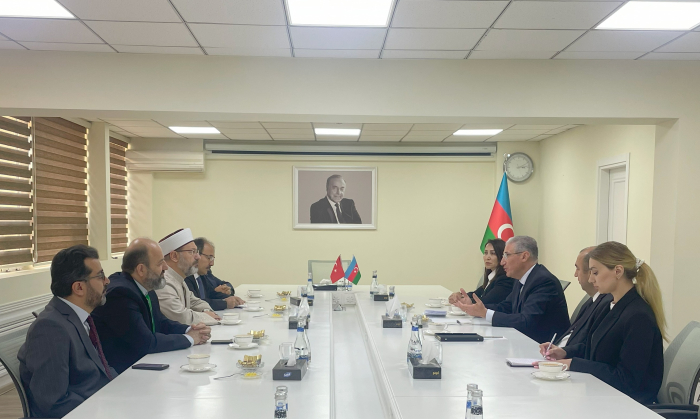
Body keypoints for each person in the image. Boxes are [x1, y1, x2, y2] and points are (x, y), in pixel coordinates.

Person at [539, 241, 665, 405]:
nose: (591, 279)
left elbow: (627, 380)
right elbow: (595, 347)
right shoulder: (609, 305)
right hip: (602, 393)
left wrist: (574, 364)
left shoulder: (638, 316)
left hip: (626, 404)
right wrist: (564, 352)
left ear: (618, 271)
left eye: (595, 272)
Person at [17, 245, 117, 418]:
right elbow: (53, 402)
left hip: (102, 401)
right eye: (100, 275)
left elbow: (100, 370)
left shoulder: (80, 317)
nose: (107, 281)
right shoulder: (50, 328)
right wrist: (104, 410)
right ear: (79, 288)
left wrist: (124, 389)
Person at [92, 238, 212, 373]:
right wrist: (190, 338)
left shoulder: (146, 286)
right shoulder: (121, 294)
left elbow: (161, 322)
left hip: (146, 363)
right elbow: (146, 342)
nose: (166, 267)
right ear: (141, 269)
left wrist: (191, 329)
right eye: (160, 263)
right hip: (125, 373)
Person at [454, 236, 570, 344]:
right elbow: (506, 307)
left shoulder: (543, 281)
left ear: (524, 256)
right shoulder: (521, 278)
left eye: (507, 255)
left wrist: (485, 313)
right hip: (524, 342)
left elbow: (526, 321)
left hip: (544, 349)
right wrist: (476, 309)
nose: (502, 262)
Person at [155, 228, 220, 325]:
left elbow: (196, 302)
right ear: (174, 256)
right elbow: (180, 317)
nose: (198, 257)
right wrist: (207, 316)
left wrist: (206, 310)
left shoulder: (179, 279)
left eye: (197, 252)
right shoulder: (163, 282)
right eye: (192, 252)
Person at [553, 246, 612, 348]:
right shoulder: (591, 301)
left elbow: (587, 346)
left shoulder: (606, 305)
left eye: (578, 268)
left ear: (591, 272)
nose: (575, 274)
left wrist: (564, 352)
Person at [448, 239, 515, 305]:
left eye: (493, 253)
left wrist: (463, 300)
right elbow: (476, 294)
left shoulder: (505, 279)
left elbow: (486, 301)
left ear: (502, 256)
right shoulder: (491, 277)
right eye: (485, 253)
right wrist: (460, 295)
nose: (487, 257)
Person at [184, 237, 245, 310]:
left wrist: (232, 299)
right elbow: (196, 304)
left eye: (212, 258)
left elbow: (211, 294)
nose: (212, 263)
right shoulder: (186, 276)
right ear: (196, 255)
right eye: (209, 257)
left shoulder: (203, 275)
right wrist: (225, 303)